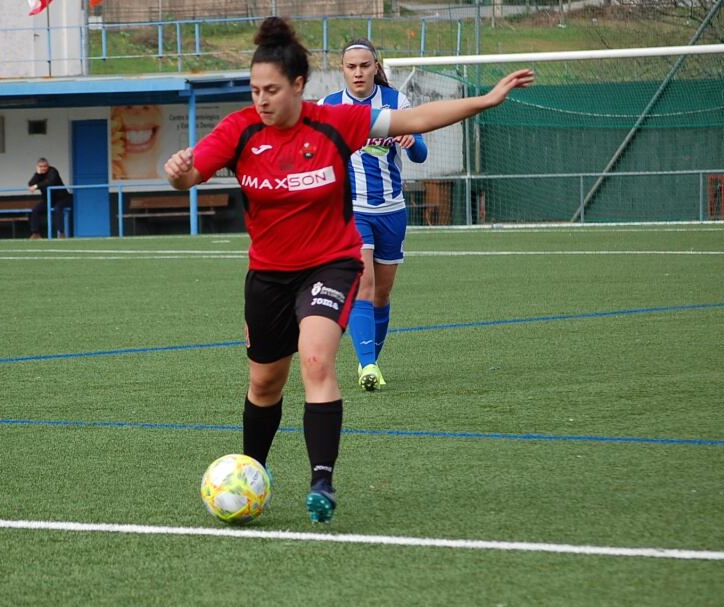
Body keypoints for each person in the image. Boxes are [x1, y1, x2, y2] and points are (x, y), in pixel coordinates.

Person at [164, 16, 532, 524]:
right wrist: (180, 174)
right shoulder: (239, 130)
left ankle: (322, 481)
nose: (262, 100)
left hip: (331, 263)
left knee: (316, 361)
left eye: (272, 89)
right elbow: (190, 175)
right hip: (268, 274)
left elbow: (417, 121)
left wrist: (485, 100)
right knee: (266, 384)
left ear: (299, 85)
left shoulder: (334, 122)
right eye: (255, 90)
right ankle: (253, 470)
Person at [319, 38, 428, 392]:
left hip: (392, 210)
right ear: (342, 70)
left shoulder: (396, 103)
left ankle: (372, 362)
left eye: (365, 65)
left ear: (376, 66)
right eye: (351, 67)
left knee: (382, 294)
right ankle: (367, 365)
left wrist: (413, 142)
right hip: (352, 212)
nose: (358, 72)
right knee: (362, 285)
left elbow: (421, 155)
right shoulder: (329, 107)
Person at [26, 157, 69, 239]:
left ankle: (61, 233)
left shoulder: (53, 171)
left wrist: (37, 186)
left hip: (61, 198)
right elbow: (31, 183)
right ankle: (35, 233)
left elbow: (50, 182)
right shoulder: (39, 174)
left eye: (45, 166)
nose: (43, 168)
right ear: (38, 167)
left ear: (48, 166)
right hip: (48, 200)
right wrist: (37, 174)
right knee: (35, 210)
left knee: (57, 209)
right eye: (41, 166)